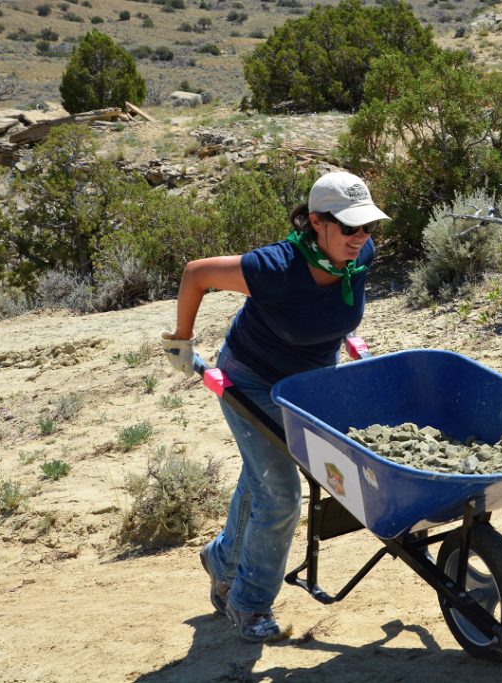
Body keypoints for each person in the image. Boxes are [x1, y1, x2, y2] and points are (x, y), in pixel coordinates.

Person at [160, 171, 389, 642]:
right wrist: (180, 343)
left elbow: (325, 306)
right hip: (251, 379)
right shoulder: (274, 268)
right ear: (316, 223)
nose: (361, 237)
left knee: (262, 473)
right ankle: (248, 603)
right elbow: (196, 273)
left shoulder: (359, 253)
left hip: (309, 383)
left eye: (367, 226)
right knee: (281, 491)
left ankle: (221, 558)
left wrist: (341, 332)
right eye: (349, 227)